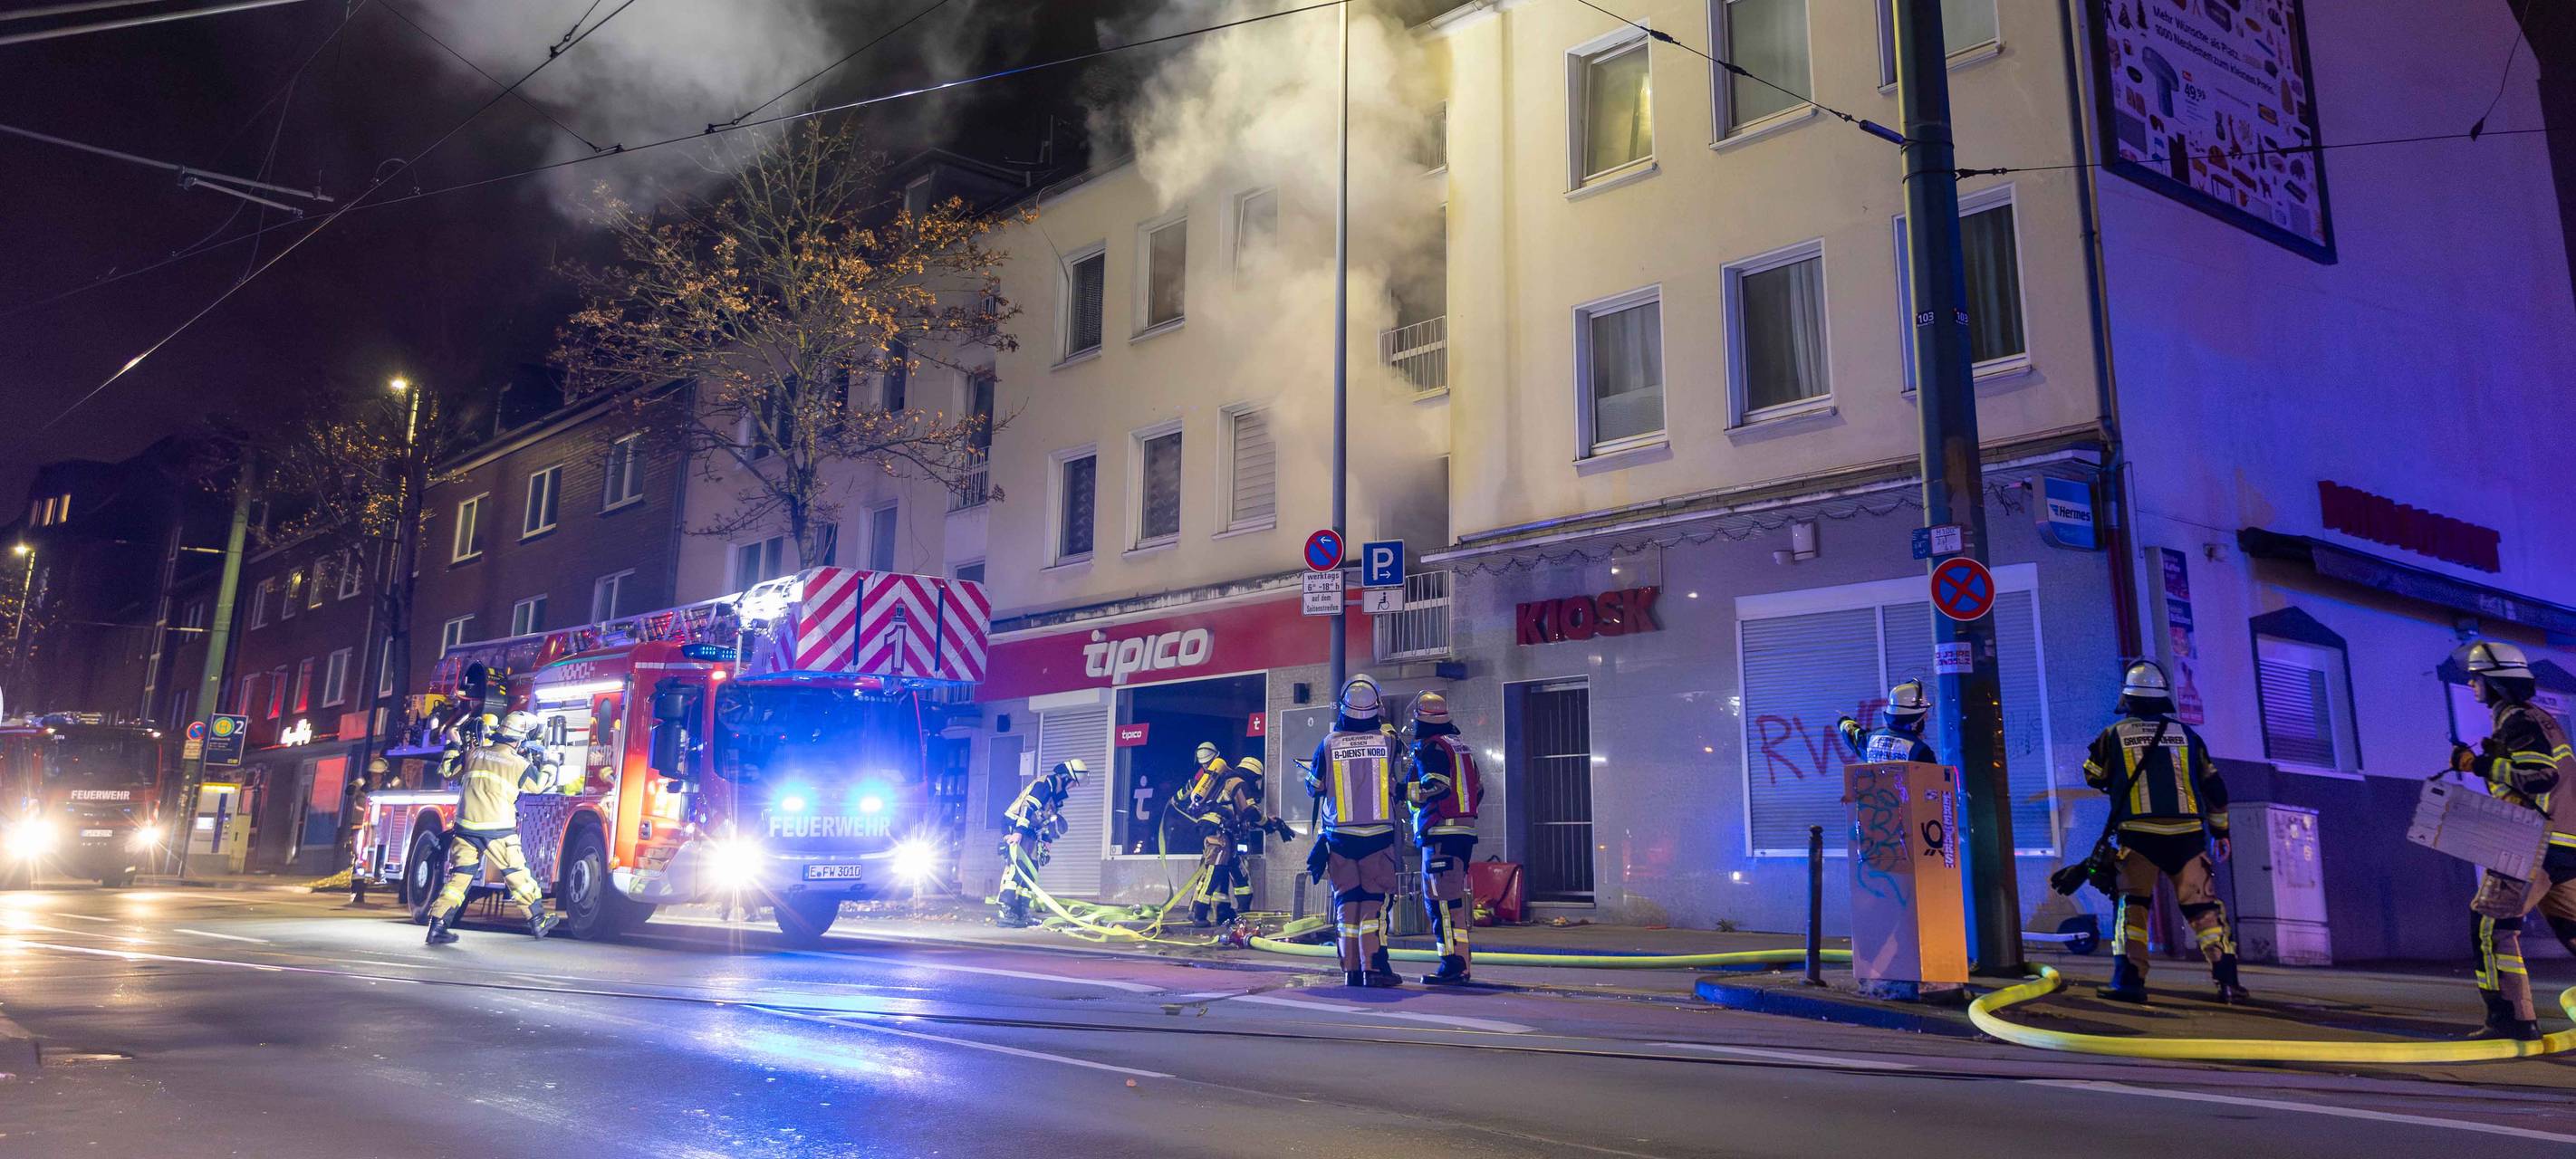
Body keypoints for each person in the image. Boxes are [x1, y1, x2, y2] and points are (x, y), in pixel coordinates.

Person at [2080, 661, 2247, 1004]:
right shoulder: (2188, 736)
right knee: (2204, 910)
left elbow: (2092, 774)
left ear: (2128, 699)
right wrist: (2221, 833)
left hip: (2138, 838)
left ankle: (2129, 983)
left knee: (2133, 907)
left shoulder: (2112, 736)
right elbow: (2215, 788)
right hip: (2187, 838)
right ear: (2162, 699)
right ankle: (2227, 981)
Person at [2446, 640, 2576, 1040]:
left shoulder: (2518, 720)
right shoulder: (2541, 718)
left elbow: (2542, 777)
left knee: (2490, 924)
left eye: (2477, 677)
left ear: (2496, 683)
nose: (2471, 683)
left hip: (2531, 842)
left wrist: (2479, 764)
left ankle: (2512, 1021)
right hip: (2567, 845)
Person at [426, 712, 563, 945]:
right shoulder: (518, 763)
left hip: (465, 828)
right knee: (516, 873)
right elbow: (540, 785)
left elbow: (447, 770)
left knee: (459, 878)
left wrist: (453, 745)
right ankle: (538, 920)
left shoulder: (475, 754)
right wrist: (552, 761)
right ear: (519, 740)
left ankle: (437, 926)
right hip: (497, 829)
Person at [1306, 675, 1404, 988]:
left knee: (1347, 904)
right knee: (1373, 904)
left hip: (1340, 839)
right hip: (1378, 838)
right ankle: (1374, 968)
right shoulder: (1389, 742)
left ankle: (1350, 971)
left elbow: (1315, 787)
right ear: (1378, 705)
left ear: (1343, 706)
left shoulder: (1328, 743)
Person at [1404, 691, 1485, 986]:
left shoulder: (1432, 749)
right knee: (1452, 903)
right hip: (1463, 834)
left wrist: (1405, 792)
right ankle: (1460, 963)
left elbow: (1435, 787)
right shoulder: (1460, 747)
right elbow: (1479, 790)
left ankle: (1453, 966)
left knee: (1440, 903)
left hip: (1440, 834)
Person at [1185, 752, 1275, 927]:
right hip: (1219, 834)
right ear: (1253, 775)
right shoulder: (1239, 783)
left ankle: (1231, 912)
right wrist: (1268, 825)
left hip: (1226, 835)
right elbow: (1249, 811)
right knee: (1215, 871)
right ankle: (1199, 913)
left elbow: (1241, 815)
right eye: (1256, 779)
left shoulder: (1227, 781)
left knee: (1238, 873)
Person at [995, 759, 1085, 928]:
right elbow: (1027, 808)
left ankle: (1021, 910)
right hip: (1016, 825)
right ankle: (1006, 909)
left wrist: (1047, 842)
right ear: (1066, 777)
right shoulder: (1045, 786)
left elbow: (1047, 820)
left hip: (1030, 830)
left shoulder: (1056, 795)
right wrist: (1017, 833)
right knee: (1017, 868)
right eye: (1074, 782)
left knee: (1032, 868)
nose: (1074, 787)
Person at [1836, 679, 1937, 763]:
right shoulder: (1921, 752)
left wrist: (1844, 720)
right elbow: (1932, 784)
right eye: (1923, 715)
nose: (1926, 717)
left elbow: (1850, 733)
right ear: (1913, 720)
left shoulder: (1870, 739)